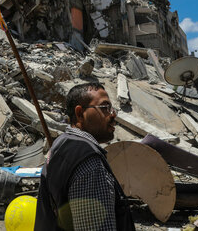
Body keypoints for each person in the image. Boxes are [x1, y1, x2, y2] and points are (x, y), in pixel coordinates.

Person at [35, 83, 134, 231]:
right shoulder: (90, 164)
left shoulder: (61, 144)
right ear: (80, 113)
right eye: (104, 108)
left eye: (112, 109)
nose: (112, 114)